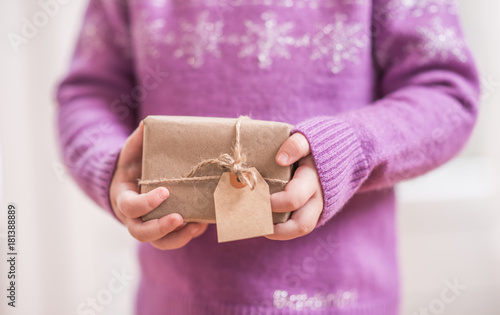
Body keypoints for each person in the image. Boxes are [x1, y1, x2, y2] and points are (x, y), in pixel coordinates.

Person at [56, 0, 479, 313]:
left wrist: (349, 148)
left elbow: (445, 93)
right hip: (175, 300)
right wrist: (111, 165)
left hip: (343, 299)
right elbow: (90, 92)